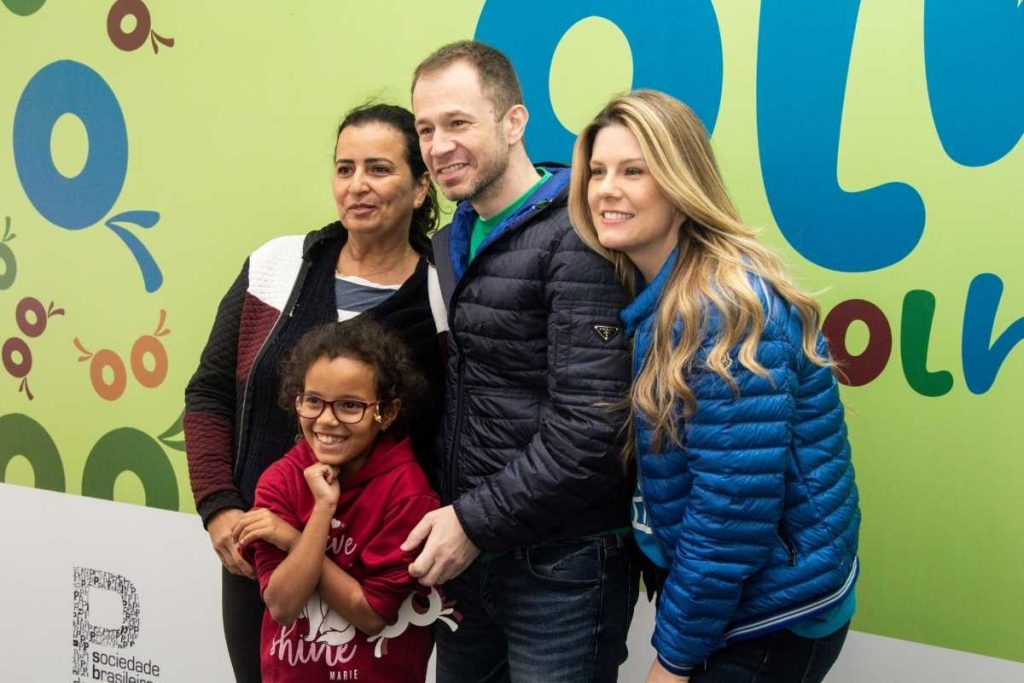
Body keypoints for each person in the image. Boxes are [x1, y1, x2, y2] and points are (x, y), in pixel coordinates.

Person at [568, 89, 860, 683]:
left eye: (633, 171)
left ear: (680, 184)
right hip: (740, 603)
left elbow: (731, 516)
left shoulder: (720, 309)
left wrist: (672, 660)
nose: (605, 189)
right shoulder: (660, 290)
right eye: (597, 171)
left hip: (770, 618)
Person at [401, 40, 640, 682]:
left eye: (457, 122)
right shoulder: (451, 239)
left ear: (513, 122)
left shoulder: (578, 236)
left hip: (560, 570)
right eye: (425, 128)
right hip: (473, 561)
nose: (438, 145)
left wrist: (470, 522)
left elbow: (591, 430)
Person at [184, 103, 447, 682]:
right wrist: (219, 508)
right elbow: (208, 393)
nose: (358, 186)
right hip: (266, 553)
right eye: (344, 168)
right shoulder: (275, 268)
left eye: (379, 169)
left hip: (376, 567)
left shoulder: (444, 296)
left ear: (422, 185)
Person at [232, 318, 450, 682]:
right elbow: (283, 606)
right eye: (313, 401)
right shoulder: (280, 481)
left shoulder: (409, 495)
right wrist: (322, 511)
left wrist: (292, 537)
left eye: (350, 406)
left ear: (387, 412)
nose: (326, 421)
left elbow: (370, 614)